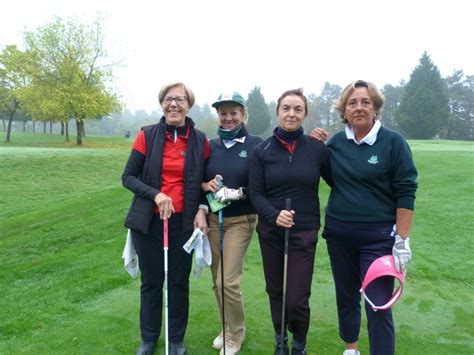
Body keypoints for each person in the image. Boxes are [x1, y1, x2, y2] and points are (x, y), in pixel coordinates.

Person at [310, 80, 418, 355]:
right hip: (339, 234)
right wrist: (315, 148)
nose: (359, 107)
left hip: (379, 238)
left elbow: (406, 190)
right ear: (344, 110)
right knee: (346, 296)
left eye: (365, 102)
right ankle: (351, 348)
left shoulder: (393, 142)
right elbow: (332, 179)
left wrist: (402, 239)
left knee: (378, 303)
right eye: (352, 103)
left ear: (376, 108)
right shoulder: (334, 143)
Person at [122, 81, 209, 355]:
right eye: (169, 99)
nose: (174, 104)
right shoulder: (147, 136)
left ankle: (176, 339)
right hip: (149, 223)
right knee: (151, 282)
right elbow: (128, 177)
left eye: (180, 100)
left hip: (183, 224)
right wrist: (156, 195)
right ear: (162, 104)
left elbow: (206, 182)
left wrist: (201, 209)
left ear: (188, 105)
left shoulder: (200, 140)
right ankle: (149, 339)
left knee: (178, 282)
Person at [249, 88, 331, 355]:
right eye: (286, 108)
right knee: (276, 290)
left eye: (298, 109)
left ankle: (299, 342)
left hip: (304, 231)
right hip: (271, 231)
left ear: (305, 113)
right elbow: (256, 194)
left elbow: (336, 180)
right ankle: (280, 338)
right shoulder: (261, 151)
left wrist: (328, 146)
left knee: (297, 297)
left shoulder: (316, 148)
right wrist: (274, 215)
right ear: (278, 111)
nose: (291, 113)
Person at [201, 92, 263, 355]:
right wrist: (207, 185)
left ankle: (236, 335)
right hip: (214, 220)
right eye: (223, 113)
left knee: (228, 281)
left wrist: (238, 192)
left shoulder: (256, 145)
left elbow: (263, 184)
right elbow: (199, 181)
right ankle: (226, 327)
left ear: (243, 114)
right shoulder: (209, 146)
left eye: (233, 113)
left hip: (241, 220)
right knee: (217, 280)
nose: (228, 118)